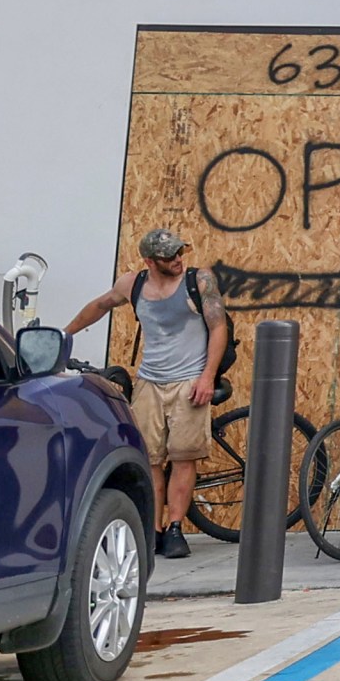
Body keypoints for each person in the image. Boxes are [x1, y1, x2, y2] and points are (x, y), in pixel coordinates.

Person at [62, 227, 228, 559]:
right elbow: (100, 305)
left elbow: (218, 327)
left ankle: (177, 527)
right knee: (150, 459)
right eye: (170, 257)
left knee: (183, 457)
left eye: (181, 252)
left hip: (189, 381)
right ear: (151, 261)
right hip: (150, 382)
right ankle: (154, 528)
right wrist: (64, 334)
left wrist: (207, 377)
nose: (179, 260)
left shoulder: (201, 281)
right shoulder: (133, 284)